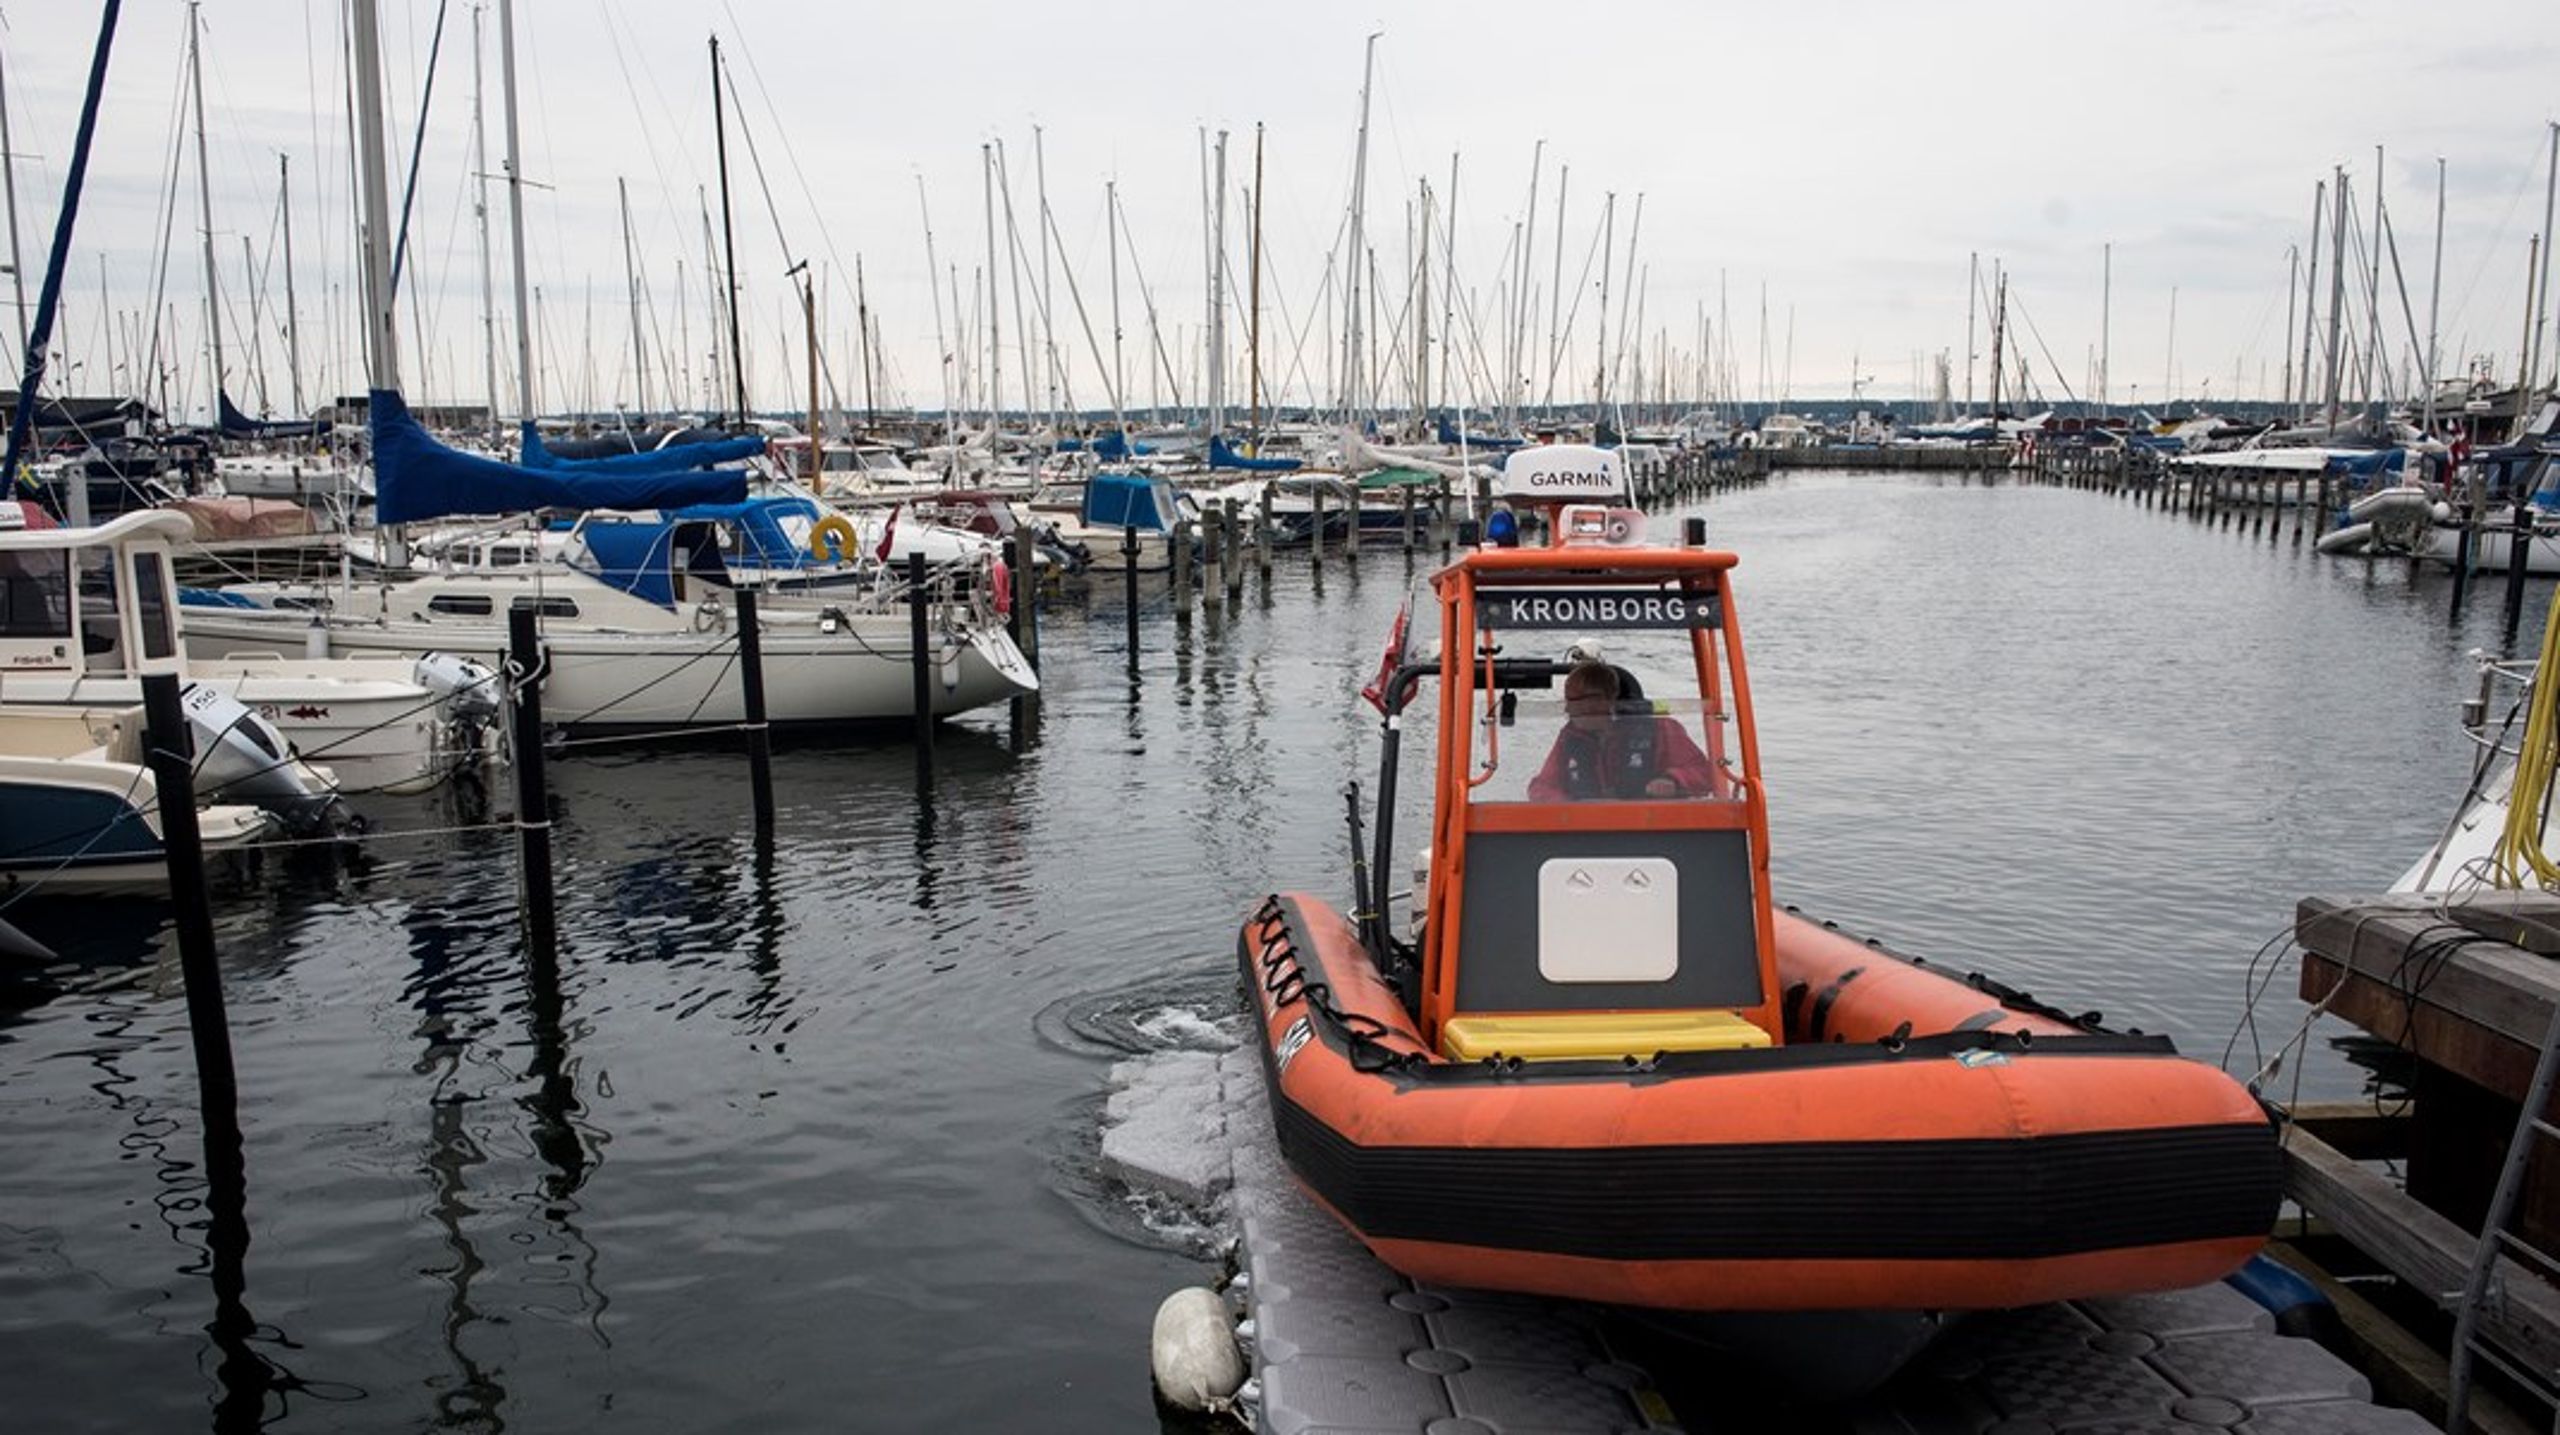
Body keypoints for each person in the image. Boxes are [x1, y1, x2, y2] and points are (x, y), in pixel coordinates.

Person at [1526, 661, 1719, 801]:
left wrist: (1673, 781)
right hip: (1589, 832)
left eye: (1578, 702)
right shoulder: (1569, 738)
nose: (1569, 710)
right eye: (1568, 702)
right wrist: (1564, 803)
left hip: (1652, 831)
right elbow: (1541, 787)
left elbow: (1704, 774)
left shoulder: (1662, 729)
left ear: (1608, 699)